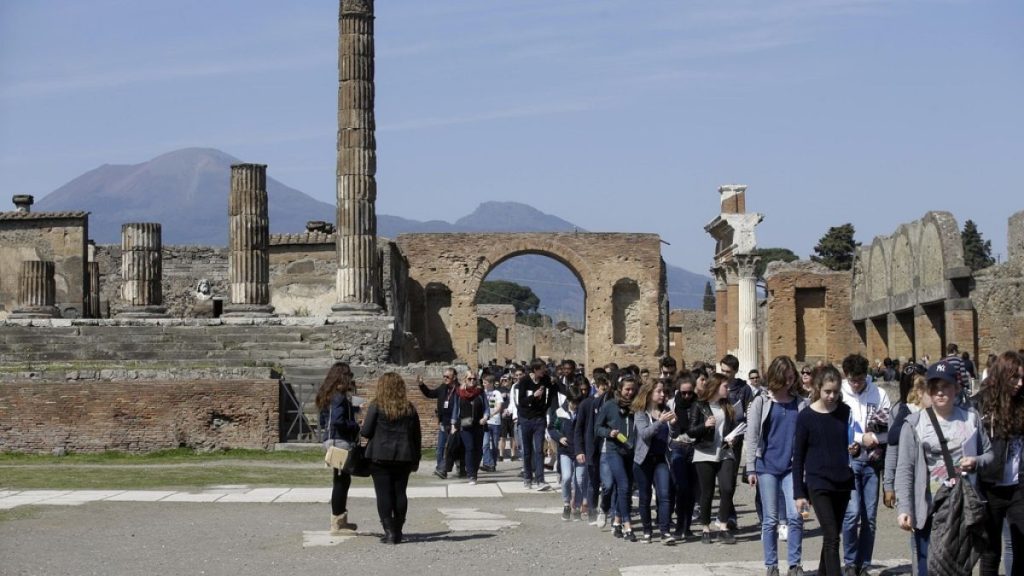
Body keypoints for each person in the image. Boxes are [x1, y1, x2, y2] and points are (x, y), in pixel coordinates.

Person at [895, 360, 992, 576]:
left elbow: (989, 454)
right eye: (934, 387)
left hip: (962, 508)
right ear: (927, 390)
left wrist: (976, 461)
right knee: (926, 567)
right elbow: (905, 469)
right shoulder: (914, 423)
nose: (940, 392)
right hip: (929, 508)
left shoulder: (971, 418)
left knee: (957, 569)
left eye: (945, 386)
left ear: (956, 388)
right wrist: (904, 508)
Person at [746, 356, 808, 576]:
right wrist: (750, 467)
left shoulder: (800, 403)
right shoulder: (761, 402)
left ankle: (794, 564)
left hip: (793, 467)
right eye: (786, 378)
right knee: (771, 519)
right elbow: (752, 436)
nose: (790, 382)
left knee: (796, 515)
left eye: (792, 378)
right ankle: (771, 565)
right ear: (776, 377)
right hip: (767, 466)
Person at [793, 366, 857, 576]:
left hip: (842, 480)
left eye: (836, 392)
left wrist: (855, 448)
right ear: (818, 388)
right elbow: (798, 457)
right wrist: (799, 493)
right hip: (818, 482)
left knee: (832, 536)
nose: (831, 396)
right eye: (827, 391)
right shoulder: (806, 417)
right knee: (831, 536)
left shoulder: (845, 412)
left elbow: (850, 441)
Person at [840, 353, 891, 576]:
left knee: (869, 517)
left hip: (872, 460)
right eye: (852, 379)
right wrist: (861, 439)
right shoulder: (839, 393)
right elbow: (837, 426)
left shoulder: (879, 394)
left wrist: (876, 439)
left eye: (860, 379)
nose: (856, 384)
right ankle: (850, 561)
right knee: (852, 513)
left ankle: (864, 563)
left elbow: (890, 429)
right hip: (849, 460)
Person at [974, 351, 1024, 576]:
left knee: (1021, 545)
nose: (1020, 383)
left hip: (1018, 488)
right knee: (990, 551)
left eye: (1023, 378)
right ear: (1003, 376)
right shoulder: (981, 404)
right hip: (990, 486)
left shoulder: (1022, 401)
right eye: (1015, 378)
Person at [360, 372, 422, 545]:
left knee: (383, 494)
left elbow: (366, 432)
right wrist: (416, 458)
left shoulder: (376, 406)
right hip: (404, 456)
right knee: (400, 493)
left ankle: (389, 532)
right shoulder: (409, 407)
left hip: (379, 456)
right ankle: (399, 530)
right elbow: (416, 436)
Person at [689, 372, 741, 545]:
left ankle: (723, 527)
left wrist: (733, 437)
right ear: (716, 386)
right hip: (705, 452)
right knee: (707, 492)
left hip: (725, 451)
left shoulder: (728, 406)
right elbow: (691, 431)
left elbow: (734, 428)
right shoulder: (699, 405)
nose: (728, 389)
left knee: (727, 488)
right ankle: (705, 527)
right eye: (725, 386)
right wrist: (704, 426)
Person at [316, 361, 360, 534]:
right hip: (340, 441)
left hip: (331, 439)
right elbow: (337, 421)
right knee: (341, 481)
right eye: (349, 376)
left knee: (341, 480)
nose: (350, 379)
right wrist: (355, 426)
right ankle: (337, 523)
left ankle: (341, 520)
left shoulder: (327, 395)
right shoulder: (339, 396)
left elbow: (324, 421)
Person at [595, 374, 639, 541]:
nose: (630, 393)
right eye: (627, 389)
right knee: (624, 485)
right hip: (614, 450)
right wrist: (609, 432)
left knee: (626, 488)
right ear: (620, 389)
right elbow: (597, 428)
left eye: (633, 390)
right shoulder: (609, 406)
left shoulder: (637, 406)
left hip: (631, 452)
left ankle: (616, 521)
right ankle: (627, 525)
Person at [633, 378, 677, 544]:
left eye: (663, 391)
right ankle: (646, 530)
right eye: (658, 391)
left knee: (664, 495)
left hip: (661, 459)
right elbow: (644, 434)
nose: (662, 394)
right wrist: (660, 422)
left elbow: (673, 434)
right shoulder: (640, 413)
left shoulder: (666, 410)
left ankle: (665, 531)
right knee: (645, 496)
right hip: (643, 460)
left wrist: (673, 425)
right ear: (649, 393)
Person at [669, 373, 699, 541]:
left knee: (693, 488)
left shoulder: (699, 404)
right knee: (681, 488)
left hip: (695, 448)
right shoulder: (672, 405)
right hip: (678, 447)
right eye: (683, 393)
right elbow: (670, 431)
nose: (687, 396)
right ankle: (679, 525)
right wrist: (672, 424)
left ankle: (687, 527)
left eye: (689, 392)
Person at [550, 388, 586, 521]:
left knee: (580, 480)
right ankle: (566, 504)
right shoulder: (560, 412)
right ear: (568, 400)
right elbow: (552, 427)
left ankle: (576, 506)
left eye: (578, 402)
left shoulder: (582, 412)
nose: (575, 405)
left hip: (580, 450)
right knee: (566, 477)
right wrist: (559, 437)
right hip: (565, 450)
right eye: (573, 402)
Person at [518, 358, 554, 491]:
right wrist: (534, 395)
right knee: (527, 451)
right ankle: (528, 478)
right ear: (535, 370)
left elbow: (552, 391)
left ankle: (540, 480)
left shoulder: (545, 380)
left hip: (539, 419)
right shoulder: (524, 381)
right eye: (542, 369)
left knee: (539, 450)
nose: (544, 371)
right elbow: (521, 401)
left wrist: (546, 406)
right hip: (526, 418)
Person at [417, 367, 458, 478]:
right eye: (444, 376)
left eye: (447, 377)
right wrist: (421, 384)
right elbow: (430, 393)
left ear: (454, 377)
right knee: (439, 449)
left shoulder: (458, 390)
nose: (445, 378)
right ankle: (440, 468)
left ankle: (452, 468)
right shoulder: (442, 388)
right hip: (443, 424)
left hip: (454, 425)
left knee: (451, 449)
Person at [451, 370, 486, 485]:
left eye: (474, 379)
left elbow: (486, 408)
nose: (472, 381)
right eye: (469, 379)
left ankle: (474, 470)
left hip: (478, 425)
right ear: (465, 380)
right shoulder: (459, 393)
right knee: (470, 448)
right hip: (464, 426)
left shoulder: (480, 392)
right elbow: (456, 409)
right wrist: (453, 424)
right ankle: (471, 475)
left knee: (479, 451)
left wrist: (485, 417)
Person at [481, 373, 503, 472]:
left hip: (495, 422)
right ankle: (487, 463)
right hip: (485, 422)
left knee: (494, 445)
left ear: (491, 383)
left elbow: (499, 407)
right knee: (485, 444)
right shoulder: (482, 393)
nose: (483, 384)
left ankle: (493, 464)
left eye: (485, 383)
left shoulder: (497, 393)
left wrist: (492, 414)